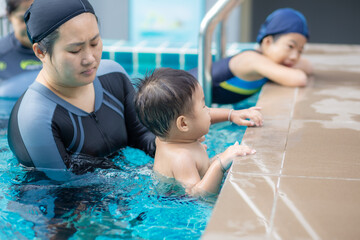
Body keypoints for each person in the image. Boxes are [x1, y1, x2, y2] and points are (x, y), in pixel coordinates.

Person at [7, 0, 156, 180]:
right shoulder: (34, 118)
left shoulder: (114, 75)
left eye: (94, 43)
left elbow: (142, 136)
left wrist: (175, 147)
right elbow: (63, 188)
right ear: (40, 52)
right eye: (75, 50)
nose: (90, 59)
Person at [135, 68, 257, 196]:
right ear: (183, 124)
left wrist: (231, 115)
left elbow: (201, 170)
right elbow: (198, 195)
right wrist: (219, 165)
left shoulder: (169, 137)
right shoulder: (181, 158)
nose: (209, 111)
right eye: (204, 106)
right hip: (177, 203)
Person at [188, 8, 313, 104]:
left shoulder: (270, 63)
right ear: (268, 42)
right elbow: (299, 79)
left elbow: (308, 67)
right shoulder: (252, 60)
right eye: (290, 47)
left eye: (300, 50)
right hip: (176, 95)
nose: (294, 56)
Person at [0, 0, 42, 98]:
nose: (31, 27)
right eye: (23, 19)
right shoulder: (2, 53)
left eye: (37, 17)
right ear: (9, 16)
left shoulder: (67, 48)